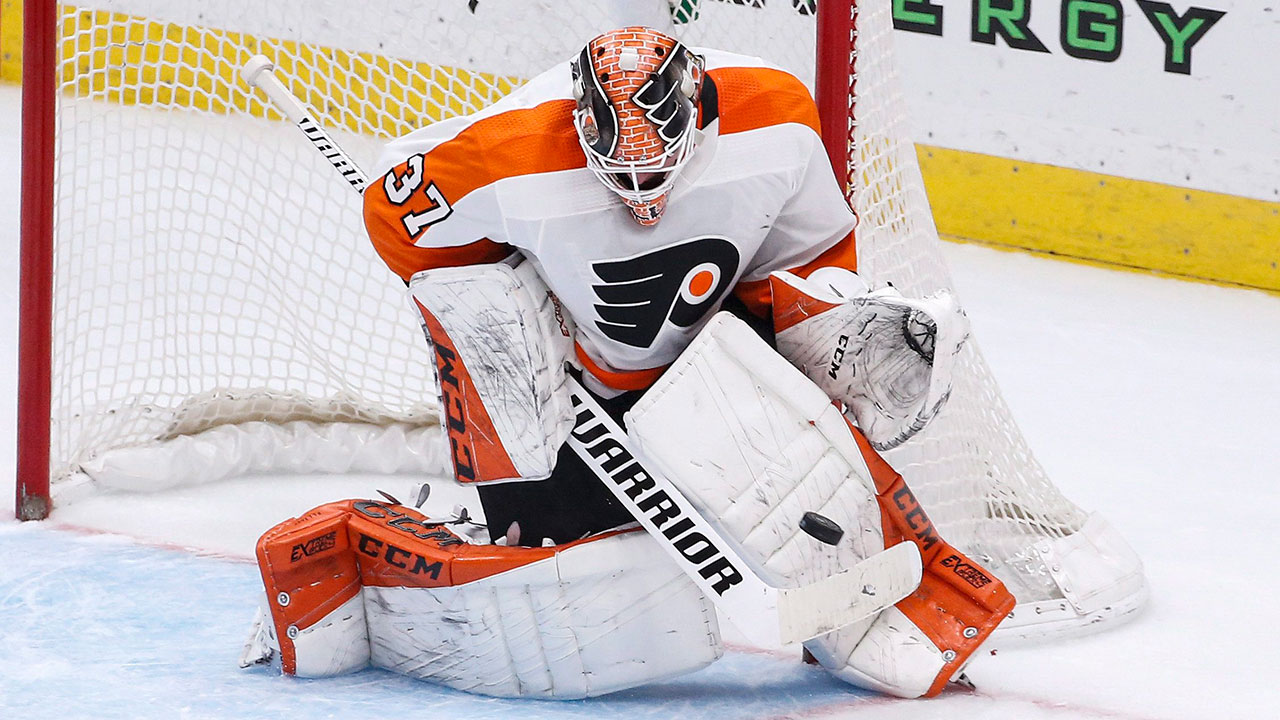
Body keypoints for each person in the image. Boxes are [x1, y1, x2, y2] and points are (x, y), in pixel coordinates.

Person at [245, 26, 1014, 701]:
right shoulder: (505, 153)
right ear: (579, 126)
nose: (642, 196)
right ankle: (375, 543)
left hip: (711, 364)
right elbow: (392, 214)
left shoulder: (774, 120)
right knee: (567, 583)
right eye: (618, 172)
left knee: (810, 512)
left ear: (703, 111)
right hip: (571, 383)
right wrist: (510, 306)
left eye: (659, 171)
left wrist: (819, 330)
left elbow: (811, 249)